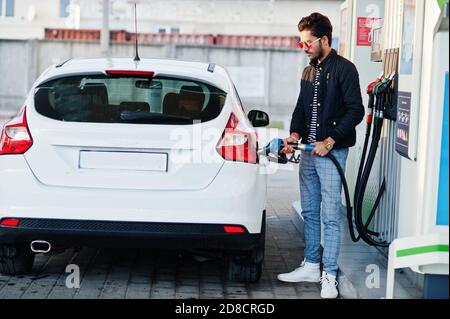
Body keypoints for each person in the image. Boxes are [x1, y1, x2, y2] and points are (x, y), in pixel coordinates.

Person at [277, 12, 364, 299]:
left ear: (324, 39)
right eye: (301, 43)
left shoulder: (345, 69)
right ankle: (311, 264)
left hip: (331, 153)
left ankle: (330, 274)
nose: (304, 48)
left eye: (307, 42)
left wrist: (330, 140)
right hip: (308, 154)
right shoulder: (308, 71)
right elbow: (301, 109)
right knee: (311, 211)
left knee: (330, 215)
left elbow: (356, 111)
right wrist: (294, 135)